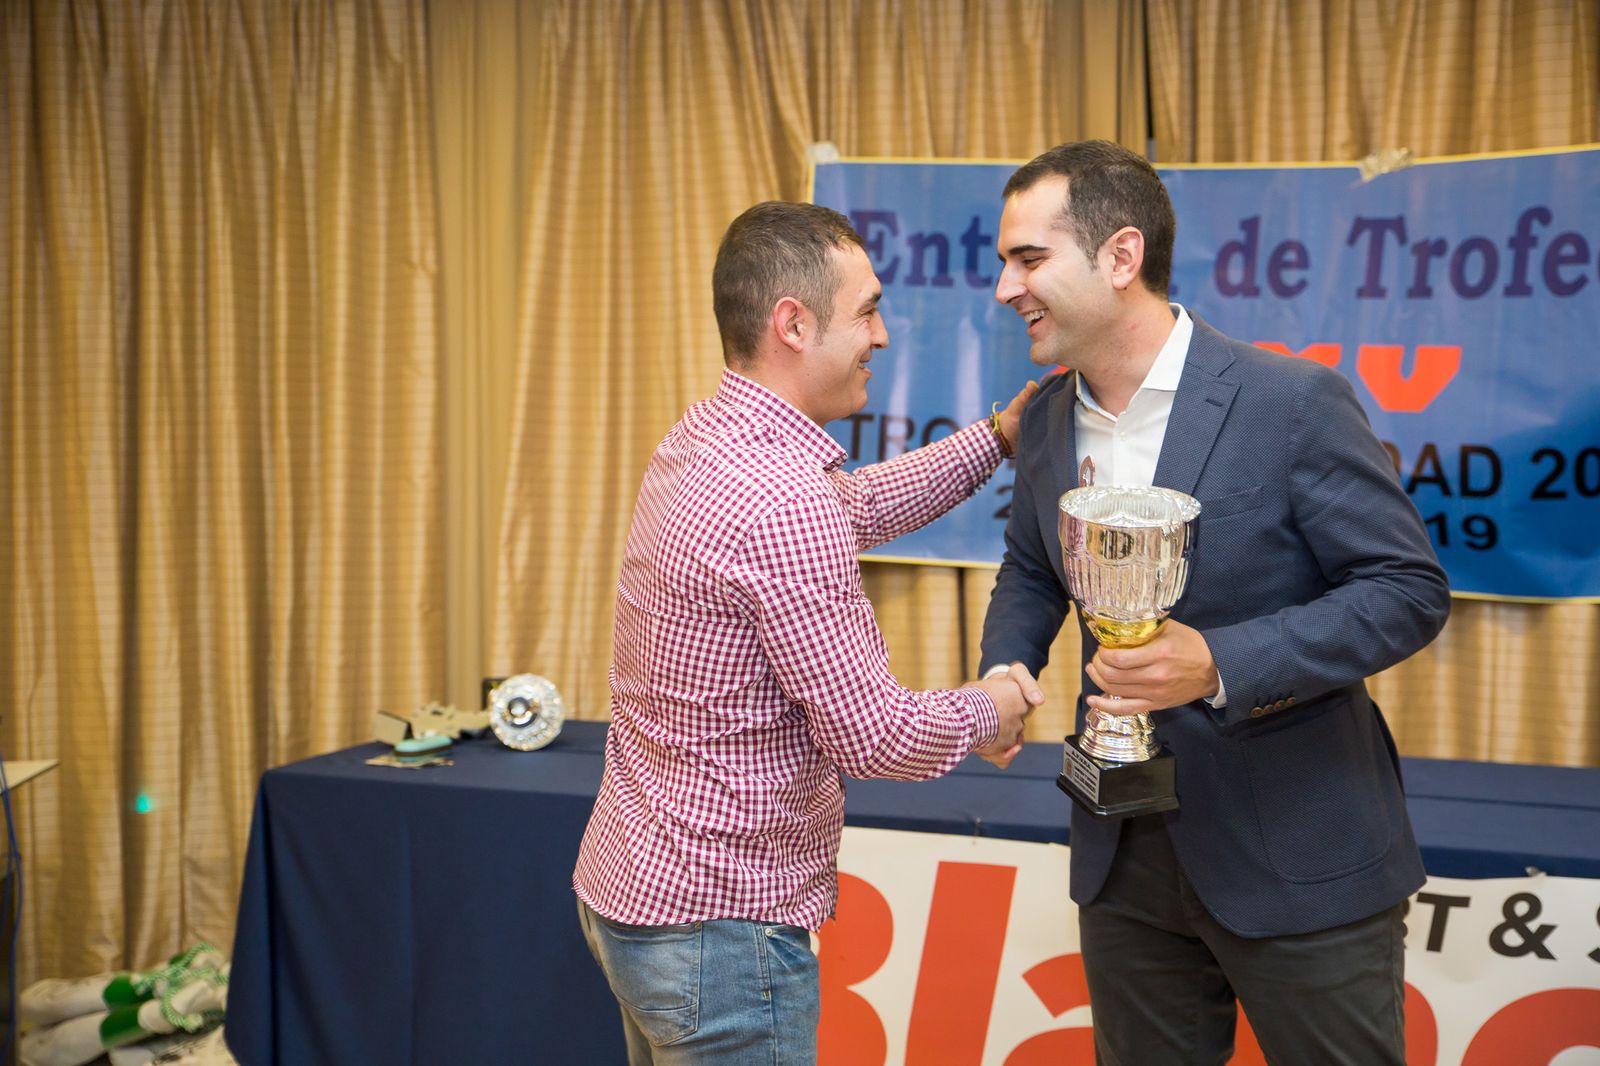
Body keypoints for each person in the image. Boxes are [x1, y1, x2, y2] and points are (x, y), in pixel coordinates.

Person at [978, 141, 1451, 1064]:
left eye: (1029, 260)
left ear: (1121, 258)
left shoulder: (1292, 402)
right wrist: (1008, 666)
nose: (1006, 288)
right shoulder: (1041, 419)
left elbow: (1407, 592)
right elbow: (1033, 569)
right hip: (1123, 854)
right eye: (1006, 262)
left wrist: (1221, 665)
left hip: (1299, 858)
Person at [573, 200, 1043, 1065]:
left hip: (639, 895)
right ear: (794, 323)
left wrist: (995, 440)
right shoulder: (781, 497)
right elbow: (875, 734)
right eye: (867, 309)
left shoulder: (709, 437)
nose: (884, 336)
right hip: (720, 935)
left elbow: (849, 507)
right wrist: (994, 706)